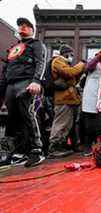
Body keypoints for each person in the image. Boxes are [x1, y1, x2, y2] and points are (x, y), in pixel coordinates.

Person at [0, 17, 46, 167]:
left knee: (27, 113)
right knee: (11, 119)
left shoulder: (37, 44)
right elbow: (6, 70)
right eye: (20, 25)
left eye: (26, 26)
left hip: (26, 81)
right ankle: (9, 153)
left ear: (32, 30)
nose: (22, 28)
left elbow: (41, 62)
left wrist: (36, 80)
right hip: (10, 84)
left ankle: (36, 150)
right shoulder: (13, 48)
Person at [48, 44, 85, 158]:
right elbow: (69, 72)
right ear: (66, 53)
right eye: (71, 54)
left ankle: (64, 145)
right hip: (63, 99)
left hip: (71, 99)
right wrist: (81, 64)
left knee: (69, 125)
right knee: (61, 124)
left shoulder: (65, 63)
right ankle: (54, 148)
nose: (72, 57)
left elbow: (72, 79)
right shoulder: (58, 61)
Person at [80, 52, 101, 156]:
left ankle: (100, 145)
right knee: (90, 124)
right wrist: (99, 56)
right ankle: (87, 146)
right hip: (91, 96)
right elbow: (87, 68)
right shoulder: (94, 63)